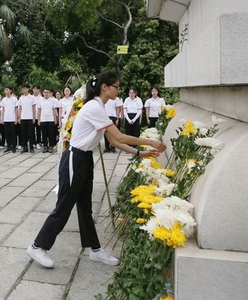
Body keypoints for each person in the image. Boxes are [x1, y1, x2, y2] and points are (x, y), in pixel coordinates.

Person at [26, 71, 166, 268]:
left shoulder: (99, 106)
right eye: (116, 86)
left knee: (85, 208)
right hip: (75, 159)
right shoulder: (94, 107)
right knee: (64, 206)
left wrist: (139, 154)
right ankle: (37, 246)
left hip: (84, 159)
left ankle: (95, 249)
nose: (119, 90)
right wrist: (149, 141)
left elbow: (113, 140)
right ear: (104, 87)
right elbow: (121, 136)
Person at [37, 88, 58, 153]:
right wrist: (39, 119)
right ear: (43, 93)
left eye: (47, 92)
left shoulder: (52, 101)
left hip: (51, 119)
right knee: (44, 134)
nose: (46, 94)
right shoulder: (40, 101)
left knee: (51, 134)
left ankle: (51, 146)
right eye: (45, 92)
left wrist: (55, 119)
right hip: (43, 120)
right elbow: (39, 111)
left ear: (50, 93)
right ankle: (45, 146)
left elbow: (54, 110)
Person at [18, 83, 36, 153]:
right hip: (23, 118)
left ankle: (31, 147)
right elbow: (20, 108)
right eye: (23, 88)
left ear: (28, 89)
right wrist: (19, 117)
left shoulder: (32, 97)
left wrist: (34, 117)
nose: (24, 90)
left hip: (30, 117)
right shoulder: (21, 98)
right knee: (23, 133)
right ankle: (25, 147)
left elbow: (34, 108)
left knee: (31, 133)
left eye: (25, 88)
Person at [1, 85, 19, 153]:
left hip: (12, 118)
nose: (5, 91)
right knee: (7, 134)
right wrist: (2, 119)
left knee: (13, 133)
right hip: (6, 118)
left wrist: (16, 118)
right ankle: (8, 146)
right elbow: (3, 110)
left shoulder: (14, 99)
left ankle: (14, 147)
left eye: (7, 89)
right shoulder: (3, 99)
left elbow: (16, 109)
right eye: (5, 89)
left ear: (10, 90)